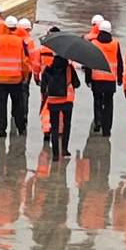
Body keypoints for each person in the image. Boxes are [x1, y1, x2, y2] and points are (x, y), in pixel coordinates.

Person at [35, 25, 80, 156]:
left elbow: (43, 82)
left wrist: (43, 93)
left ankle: (55, 154)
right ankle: (64, 149)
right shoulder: (69, 67)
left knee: (53, 126)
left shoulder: (48, 68)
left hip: (52, 98)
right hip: (67, 100)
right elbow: (77, 84)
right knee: (66, 125)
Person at [0, 16, 30, 137]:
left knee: (1, 104)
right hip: (16, 79)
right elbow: (25, 62)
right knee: (18, 104)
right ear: (16, 27)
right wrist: (25, 76)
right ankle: (20, 127)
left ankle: (1, 129)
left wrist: (1, 66)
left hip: (1, 78)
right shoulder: (20, 41)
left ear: (5, 27)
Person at [83, 16, 121, 137]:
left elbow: (89, 62)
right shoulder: (115, 44)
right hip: (110, 80)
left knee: (97, 101)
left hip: (97, 79)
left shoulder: (94, 43)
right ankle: (106, 129)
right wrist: (120, 78)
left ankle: (98, 122)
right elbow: (119, 62)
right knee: (109, 104)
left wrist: (88, 79)